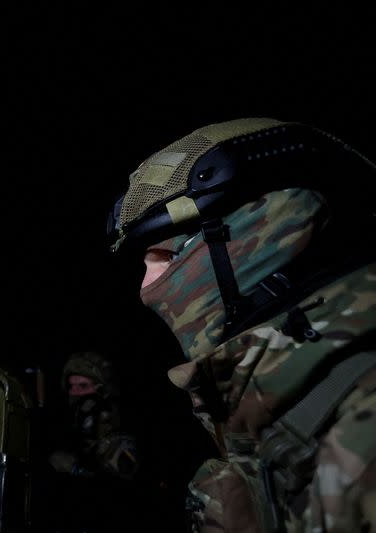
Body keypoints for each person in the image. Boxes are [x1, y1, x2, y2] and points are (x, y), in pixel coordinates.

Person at [106, 117, 376, 531]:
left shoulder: (362, 416)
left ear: (256, 235)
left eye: (165, 256)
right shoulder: (261, 403)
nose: (146, 290)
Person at [48, 351, 139, 480]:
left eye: (83, 385)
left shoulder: (118, 437)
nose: (75, 392)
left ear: (102, 390)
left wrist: (76, 469)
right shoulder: (70, 429)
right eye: (71, 386)